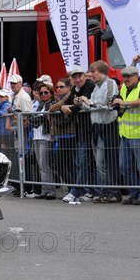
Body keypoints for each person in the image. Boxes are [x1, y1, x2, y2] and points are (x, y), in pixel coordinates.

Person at [77, 60, 121, 203]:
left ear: (101, 71)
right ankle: (104, 191)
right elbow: (91, 107)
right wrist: (82, 103)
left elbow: (110, 104)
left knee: (108, 161)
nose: (90, 74)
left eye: (93, 71)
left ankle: (113, 192)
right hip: (96, 127)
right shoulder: (96, 88)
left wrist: (90, 103)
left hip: (108, 126)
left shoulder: (110, 83)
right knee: (99, 163)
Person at [111, 65, 140, 205]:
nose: (126, 79)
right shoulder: (123, 87)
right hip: (126, 134)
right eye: (124, 76)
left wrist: (125, 103)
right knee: (124, 166)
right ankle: (134, 194)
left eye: (129, 76)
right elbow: (120, 101)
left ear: (136, 76)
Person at [60, 67, 97, 203]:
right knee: (86, 162)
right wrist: (64, 107)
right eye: (74, 77)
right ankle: (92, 190)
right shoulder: (75, 89)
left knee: (85, 162)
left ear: (84, 76)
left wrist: (69, 108)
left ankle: (76, 191)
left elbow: (80, 105)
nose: (77, 80)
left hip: (92, 129)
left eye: (79, 76)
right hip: (82, 131)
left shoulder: (90, 85)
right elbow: (66, 105)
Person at [30, 84, 57, 199]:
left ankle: (51, 191)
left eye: (46, 92)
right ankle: (44, 190)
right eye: (41, 93)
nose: (43, 95)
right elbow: (33, 119)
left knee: (44, 164)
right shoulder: (40, 105)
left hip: (46, 137)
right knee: (40, 165)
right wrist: (38, 119)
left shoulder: (52, 104)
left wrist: (38, 119)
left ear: (51, 93)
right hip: (36, 136)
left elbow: (44, 119)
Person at [49, 78, 76, 187]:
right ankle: (72, 188)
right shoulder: (61, 98)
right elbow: (52, 108)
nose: (59, 89)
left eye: (62, 87)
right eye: (57, 87)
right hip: (62, 135)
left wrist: (60, 105)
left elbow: (52, 108)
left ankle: (73, 188)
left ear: (68, 87)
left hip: (71, 134)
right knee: (63, 164)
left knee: (65, 164)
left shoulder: (70, 96)